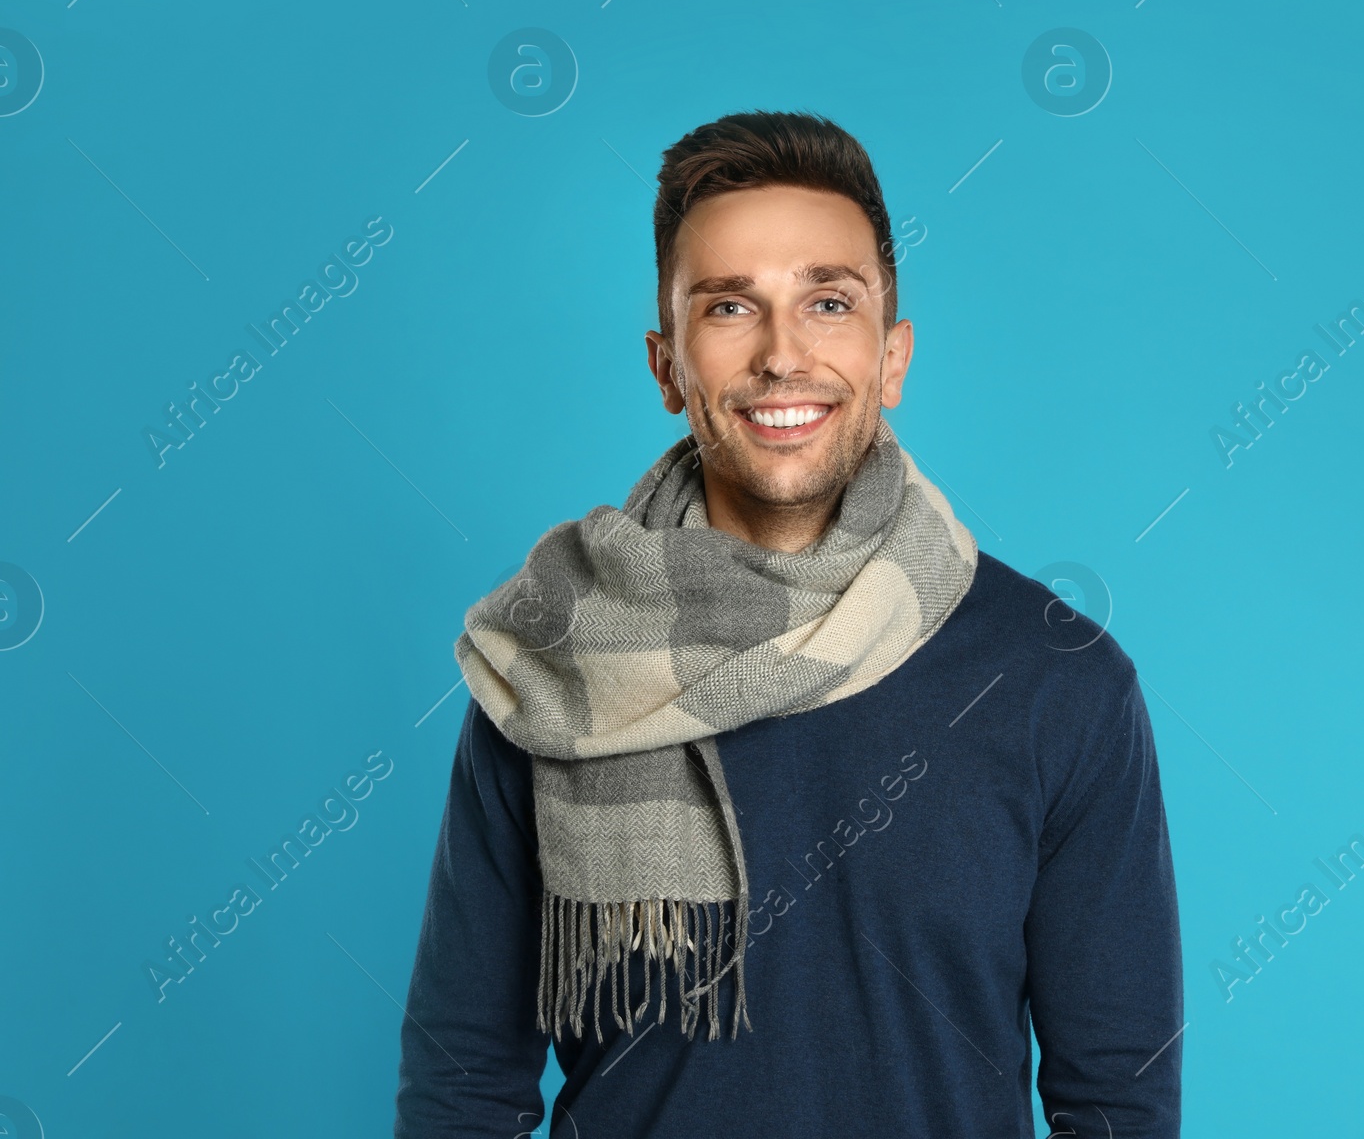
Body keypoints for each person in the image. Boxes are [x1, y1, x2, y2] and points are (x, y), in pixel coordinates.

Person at [394, 110, 1183, 1137]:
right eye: (728, 307)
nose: (780, 355)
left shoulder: (1055, 679)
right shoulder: (552, 667)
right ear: (667, 364)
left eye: (827, 301)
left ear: (891, 354)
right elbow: (462, 1081)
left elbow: (1116, 1095)